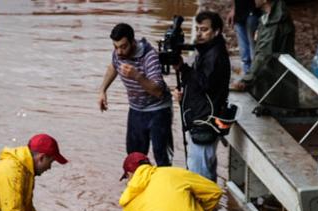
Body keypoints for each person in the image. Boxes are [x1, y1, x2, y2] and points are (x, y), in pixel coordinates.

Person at [98, 23, 173, 167]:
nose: (119, 51)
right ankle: (137, 187)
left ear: (133, 42)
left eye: (123, 46)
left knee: (161, 157)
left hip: (158, 110)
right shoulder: (118, 53)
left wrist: (137, 76)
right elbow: (113, 66)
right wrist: (102, 90)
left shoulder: (149, 56)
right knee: (133, 158)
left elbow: (158, 91)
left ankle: (163, 187)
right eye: (116, 47)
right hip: (136, 109)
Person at [173, 11, 230, 182]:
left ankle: (204, 208)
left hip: (205, 122)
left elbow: (205, 83)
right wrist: (184, 72)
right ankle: (212, 207)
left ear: (217, 31)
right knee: (205, 172)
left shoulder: (215, 55)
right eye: (197, 29)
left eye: (204, 29)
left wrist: (185, 69)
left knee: (199, 179)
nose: (199, 33)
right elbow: (200, 85)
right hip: (202, 118)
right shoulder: (208, 51)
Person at [232, 0, 295, 108]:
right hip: (275, 76)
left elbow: (263, 55)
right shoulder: (271, 15)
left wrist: (246, 80)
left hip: (274, 80)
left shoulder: (274, 22)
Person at [227, 0, 261, 74]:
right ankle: (247, 77)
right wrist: (234, 9)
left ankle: (254, 76)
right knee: (244, 51)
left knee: (253, 49)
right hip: (239, 14)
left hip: (253, 12)